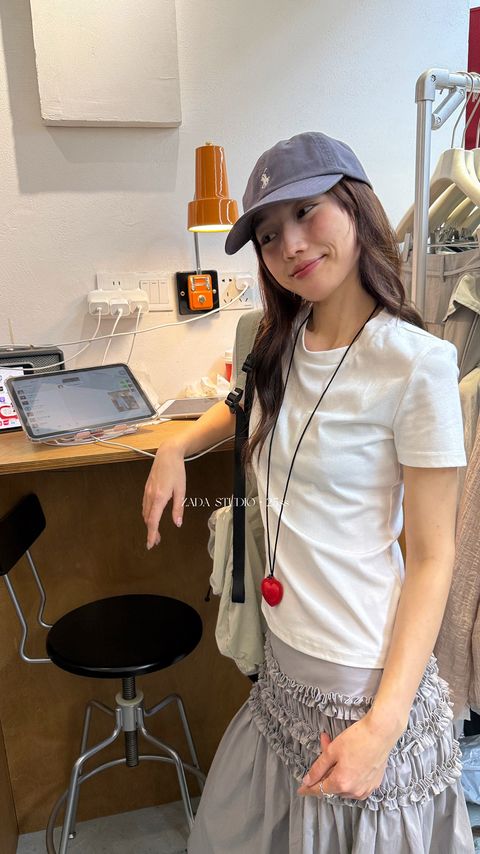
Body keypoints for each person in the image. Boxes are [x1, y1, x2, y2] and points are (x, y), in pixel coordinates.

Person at [142, 132, 474, 853]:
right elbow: (241, 403)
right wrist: (176, 445)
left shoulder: (417, 365)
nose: (289, 245)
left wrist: (382, 728)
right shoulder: (282, 340)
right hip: (282, 666)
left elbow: (433, 556)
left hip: (359, 679)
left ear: (355, 207)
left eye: (306, 212)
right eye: (267, 234)